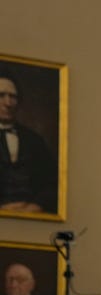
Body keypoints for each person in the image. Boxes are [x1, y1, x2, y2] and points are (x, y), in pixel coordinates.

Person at [0, 71, 57, 214]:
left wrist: (35, 206)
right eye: (1, 95)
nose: (8, 103)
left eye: (13, 97)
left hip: (32, 218)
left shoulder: (34, 140)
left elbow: (53, 183)